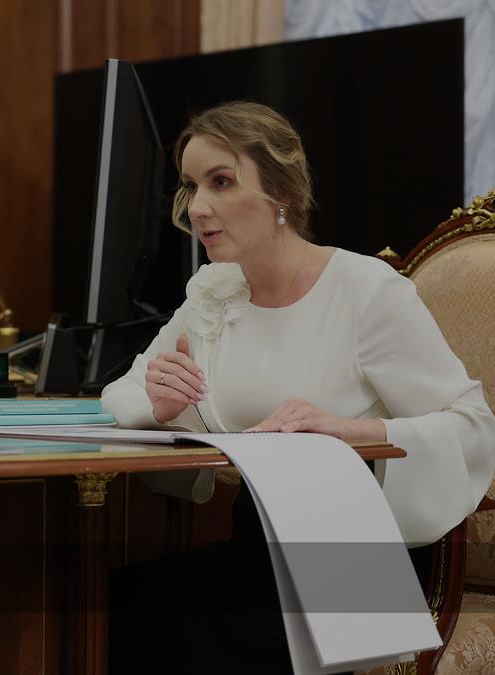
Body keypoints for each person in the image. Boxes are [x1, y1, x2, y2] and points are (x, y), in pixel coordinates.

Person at [100, 101, 495, 672]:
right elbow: (120, 394)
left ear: (281, 191)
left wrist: (352, 431)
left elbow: (471, 424)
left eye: (220, 182)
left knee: (153, 618)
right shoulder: (213, 291)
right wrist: (158, 405)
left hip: (350, 559)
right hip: (256, 546)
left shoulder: (365, 290)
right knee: (115, 600)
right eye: (190, 186)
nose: (199, 207)